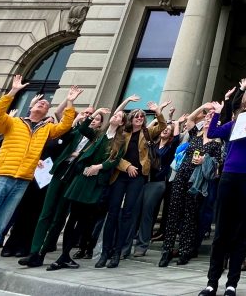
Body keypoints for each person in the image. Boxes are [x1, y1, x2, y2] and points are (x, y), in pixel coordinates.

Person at [0, 76, 80, 292]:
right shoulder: (13, 123)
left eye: (46, 104)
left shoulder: (46, 130)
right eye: (40, 102)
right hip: (0, 176)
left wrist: (70, 102)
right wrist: (12, 92)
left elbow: (65, 125)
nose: (43, 104)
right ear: (31, 106)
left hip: (21, 182)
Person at [198, 86, 246, 296]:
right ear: (244, 103)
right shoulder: (233, 124)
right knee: (221, 231)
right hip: (228, 177)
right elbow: (212, 132)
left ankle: (232, 283)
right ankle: (212, 283)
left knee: (240, 233)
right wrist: (215, 113)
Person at [17, 105, 99, 268]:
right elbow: (60, 138)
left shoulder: (96, 138)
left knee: (59, 216)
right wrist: (75, 120)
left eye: (95, 117)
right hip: (59, 172)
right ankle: (34, 252)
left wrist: (78, 154)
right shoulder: (74, 133)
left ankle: (42, 252)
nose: (90, 118)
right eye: (87, 114)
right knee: (45, 212)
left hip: (74, 177)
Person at [47, 106, 124, 271]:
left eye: (119, 116)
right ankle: (64, 256)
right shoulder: (98, 134)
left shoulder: (119, 140)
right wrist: (96, 113)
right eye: (115, 114)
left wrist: (98, 167)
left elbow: (114, 161)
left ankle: (69, 254)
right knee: (72, 217)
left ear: (122, 122)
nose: (115, 116)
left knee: (83, 220)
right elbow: (82, 128)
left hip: (96, 182)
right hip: (82, 178)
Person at [99, 99, 167, 267]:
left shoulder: (147, 132)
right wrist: (127, 166)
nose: (139, 118)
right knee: (113, 213)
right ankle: (105, 252)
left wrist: (158, 111)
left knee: (128, 214)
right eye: (136, 116)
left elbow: (162, 126)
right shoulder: (122, 133)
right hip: (120, 175)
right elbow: (114, 155)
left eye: (142, 117)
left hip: (138, 177)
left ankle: (118, 253)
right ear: (131, 119)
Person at [158, 102, 225, 267]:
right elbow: (190, 118)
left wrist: (204, 160)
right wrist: (204, 106)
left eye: (212, 121)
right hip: (182, 175)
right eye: (207, 120)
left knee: (190, 215)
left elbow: (217, 165)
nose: (208, 122)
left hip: (197, 181)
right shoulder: (195, 134)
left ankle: (184, 251)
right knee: (174, 212)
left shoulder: (216, 144)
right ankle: (167, 250)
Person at [133, 116, 179, 257]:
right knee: (135, 211)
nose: (165, 130)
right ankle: (129, 240)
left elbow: (176, 138)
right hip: (142, 180)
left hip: (157, 183)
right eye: (164, 128)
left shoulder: (170, 147)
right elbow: (146, 131)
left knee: (148, 212)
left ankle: (142, 245)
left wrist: (176, 124)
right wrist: (156, 121)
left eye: (168, 130)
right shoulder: (151, 144)